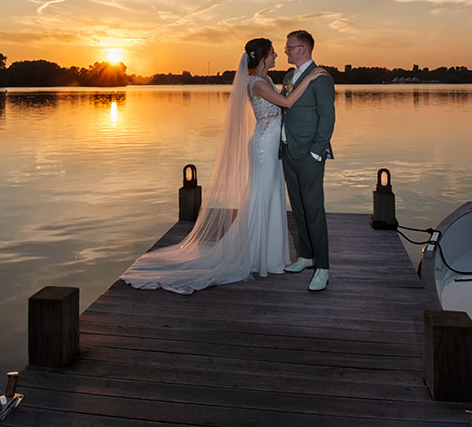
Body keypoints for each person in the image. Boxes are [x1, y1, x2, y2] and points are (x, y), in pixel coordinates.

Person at [121, 38, 329, 294]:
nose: (278, 54)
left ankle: (270, 255)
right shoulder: (256, 83)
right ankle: (257, 256)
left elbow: (283, 106)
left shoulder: (265, 80)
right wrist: (308, 79)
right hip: (265, 147)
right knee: (260, 196)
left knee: (270, 196)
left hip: (274, 146)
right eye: (273, 52)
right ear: (263, 57)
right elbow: (286, 104)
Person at [279, 30, 335, 292]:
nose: (286, 51)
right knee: (299, 208)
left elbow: (328, 118)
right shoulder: (289, 77)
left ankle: (322, 267)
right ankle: (305, 256)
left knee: (314, 209)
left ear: (303, 48)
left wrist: (316, 151)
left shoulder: (321, 78)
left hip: (309, 154)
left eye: (290, 47)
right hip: (288, 151)